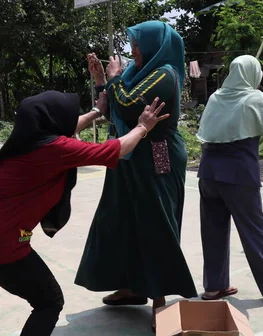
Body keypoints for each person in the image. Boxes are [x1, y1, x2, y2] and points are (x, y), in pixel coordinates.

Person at [0, 90, 170, 336]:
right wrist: (142, 127)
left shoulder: (24, 141)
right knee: (49, 302)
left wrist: (96, 112)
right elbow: (113, 150)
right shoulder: (55, 149)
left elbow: (69, 127)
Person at [74, 21, 197, 331]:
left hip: (156, 156)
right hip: (127, 152)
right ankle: (130, 286)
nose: (134, 50)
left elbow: (128, 105)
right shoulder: (135, 74)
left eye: (139, 44)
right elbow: (113, 102)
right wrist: (103, 80)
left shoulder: (164, 74)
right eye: (133, 43)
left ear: (156, 45)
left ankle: (159, 301)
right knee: (119, 218)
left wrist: (113, 79)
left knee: (154, 222)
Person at [196, 55, 263, 305]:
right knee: (253, 231)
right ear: (253, 74)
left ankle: (214, 287)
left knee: (212, 230)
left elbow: (205, 130)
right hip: (238, 173)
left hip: (208, 171)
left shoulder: (215, 97)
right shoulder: (257, 98)